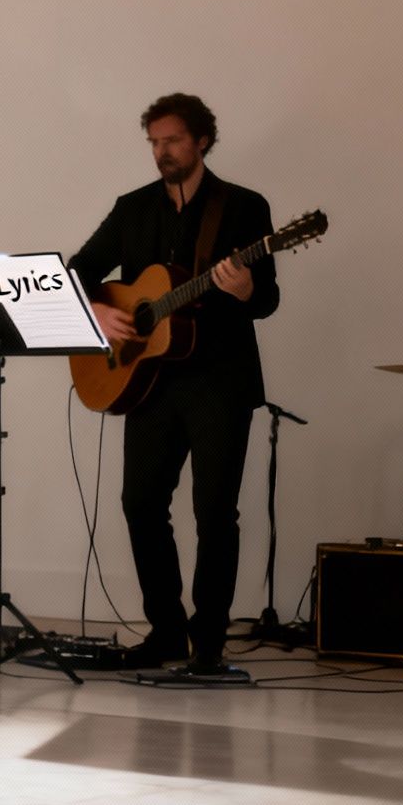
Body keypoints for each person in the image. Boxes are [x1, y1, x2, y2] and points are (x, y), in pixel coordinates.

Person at [69, 94, 279, 675]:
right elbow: (76, 272)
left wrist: (243, 289)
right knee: (140, 503)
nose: (162, 152)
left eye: (173, 141)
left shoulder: (243, 207)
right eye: (154, 142)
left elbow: (267, 298)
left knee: (214, 512)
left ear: (202, 141)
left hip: (219, 381)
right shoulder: (133, 208)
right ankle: (165, 631)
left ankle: (208, 641)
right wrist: (97, 311)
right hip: (148, 381)